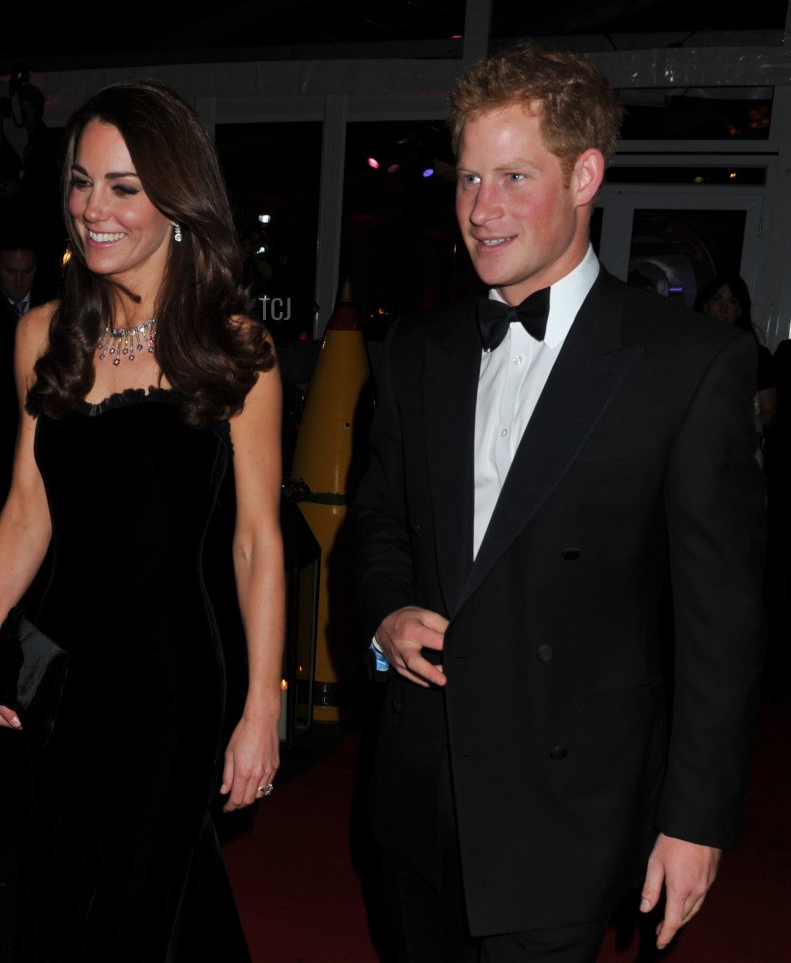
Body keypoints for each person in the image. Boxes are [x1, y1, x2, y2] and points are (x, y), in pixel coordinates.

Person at [352, 44, 765, 963]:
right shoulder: (418, 349)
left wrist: (696, 821)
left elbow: (719, 623)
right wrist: (384, 610)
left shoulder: (687, 365)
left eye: (512, 176)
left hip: (569, 810)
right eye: (467, 178)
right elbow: (377, 517)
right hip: (420, 792)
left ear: (585, 175)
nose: (480, 209)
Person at [0, 79, 284, 961]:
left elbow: (258, 541)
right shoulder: (41, 334)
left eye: (123, 187)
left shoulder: (235, 346)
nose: (91, 209)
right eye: (80, 181)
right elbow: (28, 509)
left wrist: (263, 707)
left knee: (140, 905)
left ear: (176, 200)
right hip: (60, 677)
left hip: (174, 682)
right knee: (73, 893)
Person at [696, 274, 777, 431]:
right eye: (717, 299)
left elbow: (769, 412)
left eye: (732, 302)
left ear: (739, 311)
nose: (723, 308)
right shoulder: (689, 349)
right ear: (705, 305)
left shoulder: (757, 355)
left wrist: (744, 430)